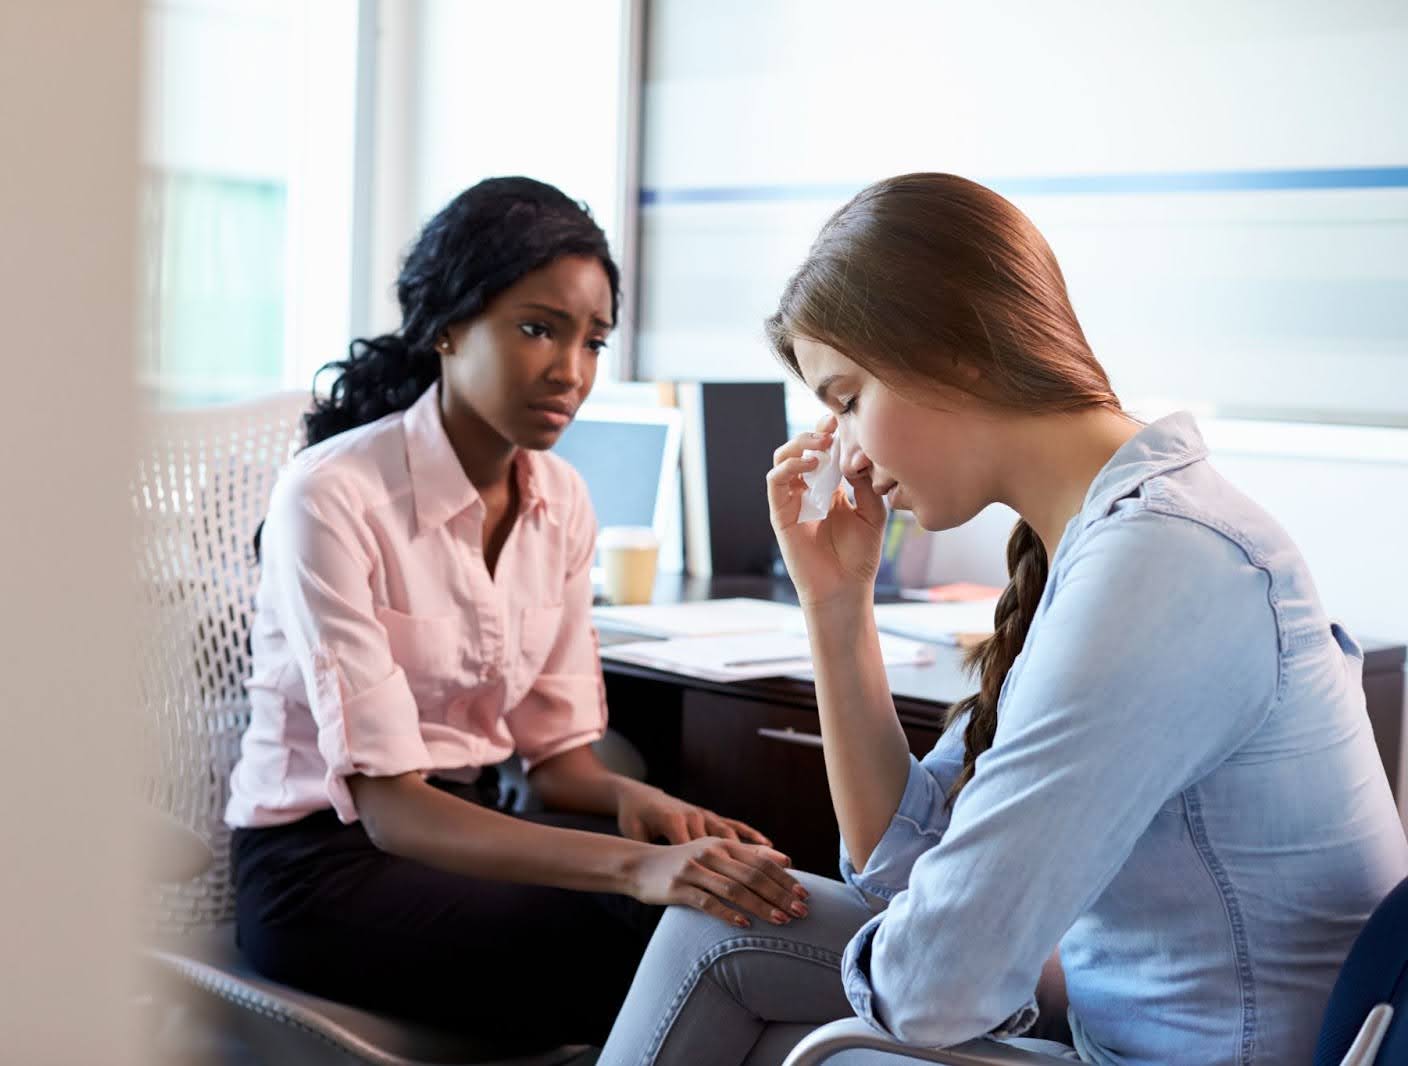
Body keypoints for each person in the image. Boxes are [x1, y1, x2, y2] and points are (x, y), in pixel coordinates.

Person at [598, 172, 1407, 1065]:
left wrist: (965, 943)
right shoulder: (1109, 543)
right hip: (1121, 1032)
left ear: (953, 353)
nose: (845, 454)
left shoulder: (1163, 566)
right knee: (713, 935)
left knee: (735, 965)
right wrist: (837, 603)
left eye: (846, 400)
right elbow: (900, 866)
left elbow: (935, 989)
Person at [225, 177, 805, 1047]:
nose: (571, 370)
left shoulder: (561, 499)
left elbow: (556, 763)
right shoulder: (334, 497)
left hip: (478, 825)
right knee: (653, 941)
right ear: (449, 327)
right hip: (324, 869)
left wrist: (636, 803)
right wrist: (639, 869)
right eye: (538, 328)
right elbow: (395, 812)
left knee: (724, 916)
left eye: (594, 341)